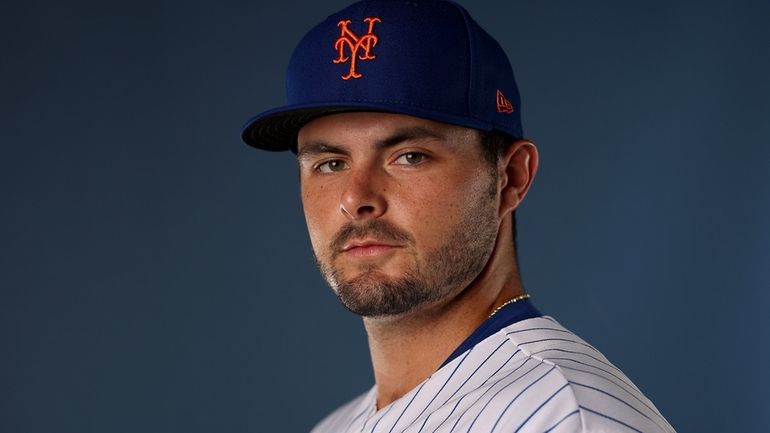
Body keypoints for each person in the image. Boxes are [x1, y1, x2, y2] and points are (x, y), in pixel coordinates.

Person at [241, 1, 676, 432]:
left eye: (409, 156)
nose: (356, 199)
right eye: (331, 163)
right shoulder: (335, 427)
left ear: (511, 177)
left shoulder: (563, 417)